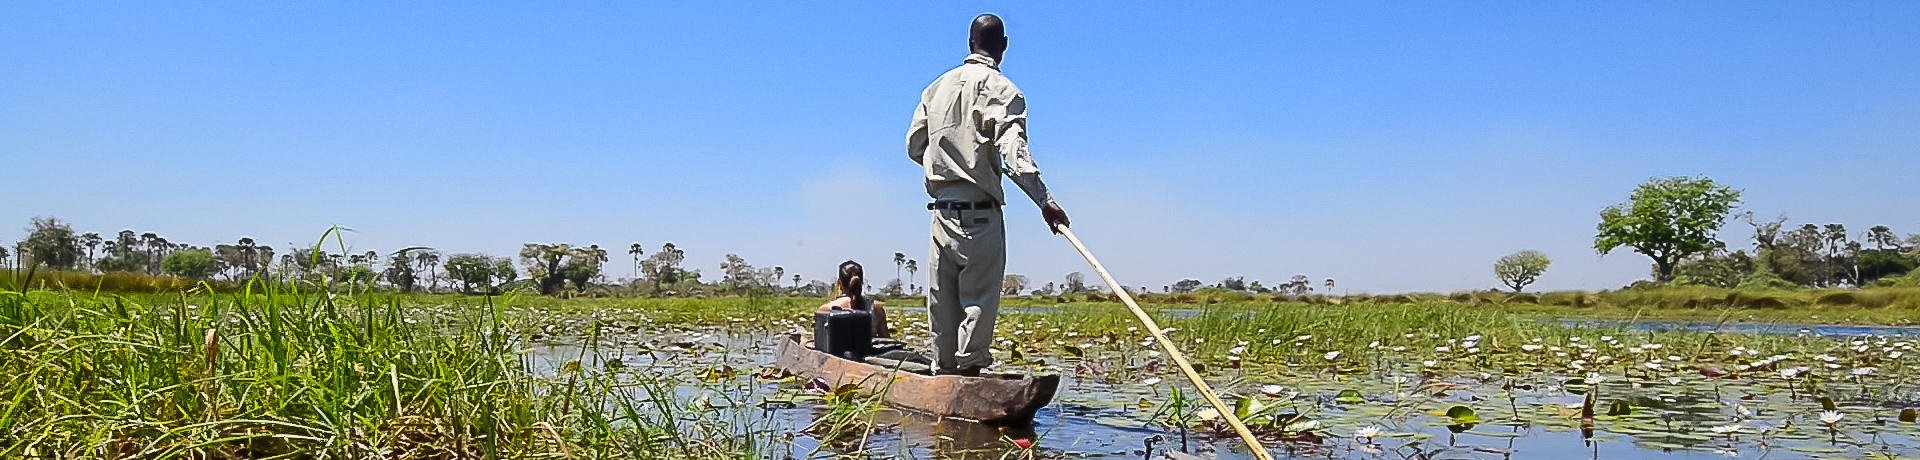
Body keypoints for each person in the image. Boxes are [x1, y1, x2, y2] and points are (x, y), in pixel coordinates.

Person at [906, 13, 1070, 376]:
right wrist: (1045, 201)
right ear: (1004, 46)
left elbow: (915, 145)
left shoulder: (935, 89)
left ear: (969, 44)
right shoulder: (1005, 91)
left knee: (942, 303)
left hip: (942, 211)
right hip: (980, 215)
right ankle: (967, 376)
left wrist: (946, 162)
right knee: (977, 300)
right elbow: (1015, 153)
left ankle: (944, 372)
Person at [816, 260, 890, 338]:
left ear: (839, 284)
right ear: (862, 282)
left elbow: (820, 340)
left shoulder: (825, 310)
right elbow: (886, 339)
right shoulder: (876, 309)